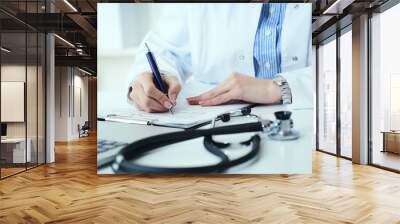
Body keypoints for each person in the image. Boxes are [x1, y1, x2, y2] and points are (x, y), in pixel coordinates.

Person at [128, 3, 312, 113]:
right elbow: (164, 48)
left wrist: (281, 87)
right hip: (209, 118)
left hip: (308, 112)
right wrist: (151, 76)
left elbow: (338, 62)